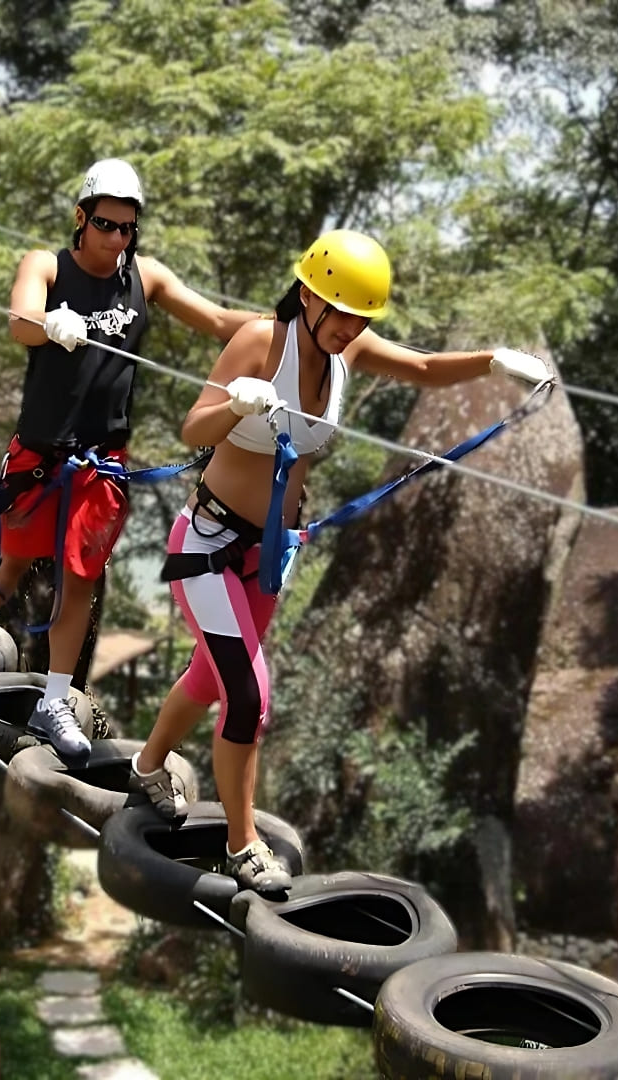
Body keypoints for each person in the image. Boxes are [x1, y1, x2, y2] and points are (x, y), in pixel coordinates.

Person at [127, 228, 551, 892]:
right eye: (339, 309)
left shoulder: (346, 346)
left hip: (266, 555)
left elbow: (422, 368)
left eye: (358, 316)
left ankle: (149, 764)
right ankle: (242, 845)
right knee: (249, 698)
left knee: (211, 678)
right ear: (307, 295)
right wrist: (237, 401)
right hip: (207, 546)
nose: (348, 325)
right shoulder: (262, 342)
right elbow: (194, 428)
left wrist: (495, 362)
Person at [0, 158, 265, 766]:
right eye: (106, 225)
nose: (117, 239)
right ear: (81, 217)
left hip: (103, 462)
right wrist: (51, 322)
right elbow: (20, 320)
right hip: (42, 454)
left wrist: (289, 330)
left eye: (128, 228)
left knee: (81, 581)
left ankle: (54, 699)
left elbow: (216, 320)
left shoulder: (144, 278)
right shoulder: (47, 265)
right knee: (14, 565)